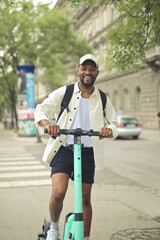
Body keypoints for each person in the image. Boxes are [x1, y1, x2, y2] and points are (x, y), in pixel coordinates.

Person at [34, 54, 118, 240]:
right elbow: (41, 109)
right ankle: (54, 228)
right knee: (58, 193)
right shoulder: (66, 92)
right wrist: (48, 125)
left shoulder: (102, 98)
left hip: (88, 152)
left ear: (97, 72)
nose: (88, 73)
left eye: (92, 69)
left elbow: (114, 123)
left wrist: (109, 130)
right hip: (64, 148)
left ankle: (85, 237)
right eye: (84, 69)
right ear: (78, 71)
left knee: (85, 199)